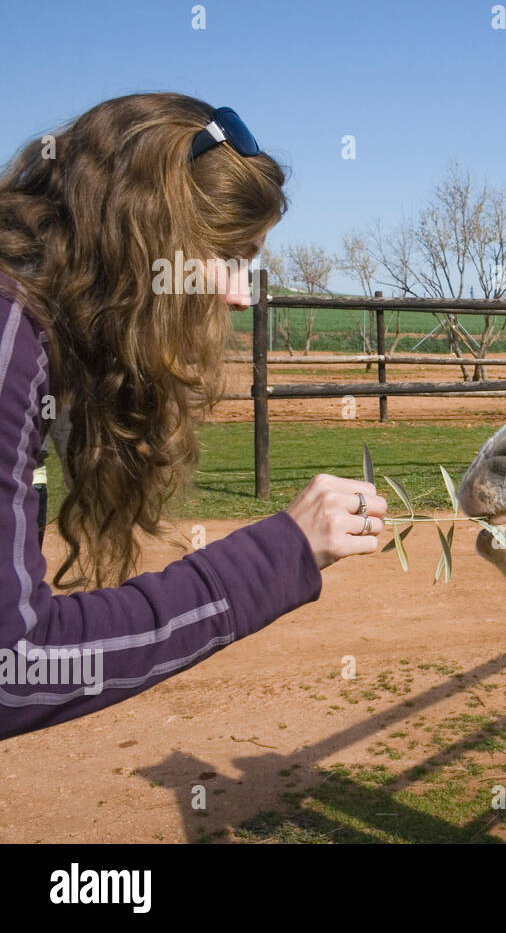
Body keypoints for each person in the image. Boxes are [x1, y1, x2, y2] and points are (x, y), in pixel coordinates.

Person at [0, 93, 387, 740]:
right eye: (231, 256)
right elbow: (15, 667)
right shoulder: (10, 346)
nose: (242, 294)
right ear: (146, 242)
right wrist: (278, 555)